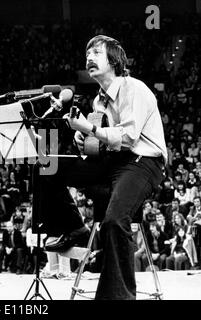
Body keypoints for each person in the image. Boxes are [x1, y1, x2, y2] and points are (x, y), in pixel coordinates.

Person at [34, 35, 167, 299]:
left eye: (96, 52)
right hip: (114, 162)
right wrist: (82, 139)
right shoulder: (98, 101)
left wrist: (90, 128)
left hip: (143, 162)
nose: (89, 58)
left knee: (115, 220)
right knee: (47, 164)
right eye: (87, 54)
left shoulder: (135, 89)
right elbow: (94, 147)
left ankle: (119, 296)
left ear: (114, 59)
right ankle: (73, 227)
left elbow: (128, 138)